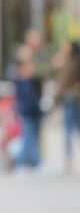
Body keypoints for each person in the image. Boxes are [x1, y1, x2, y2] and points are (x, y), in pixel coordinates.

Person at [12, 47, 44, 171]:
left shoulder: (32, 79)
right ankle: (24, 163)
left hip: (36, 112)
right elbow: (25, 99)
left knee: (33, 138)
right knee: (28, 139)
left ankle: (32, 163)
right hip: (27, 113)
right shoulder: (19, 80)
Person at [52, 41, 80, 173]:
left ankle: (68, 159)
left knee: (68, 129)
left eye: (66, 47)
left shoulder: (72, 63)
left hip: (70, 99)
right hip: (74, 99)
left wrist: (55, 100)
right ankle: (68, 158)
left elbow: (62, 83)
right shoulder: (72, 62)